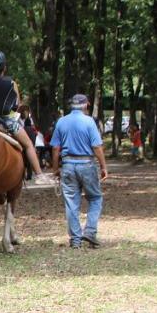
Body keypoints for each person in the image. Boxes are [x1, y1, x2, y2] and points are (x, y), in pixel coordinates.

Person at [0, 51, 55, 187]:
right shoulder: (12, 83)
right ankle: (39, 174)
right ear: (4, 67)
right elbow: (17, 104)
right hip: (6, 121)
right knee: (28, 145)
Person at [50, 93, 108, 249]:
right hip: (87, 164)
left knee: (71, 203)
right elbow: (96, 146)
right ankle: (89, 231)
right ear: (86, 105)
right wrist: (103, 166)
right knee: (95, 198)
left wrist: (55, 169)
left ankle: (75, 240)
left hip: (68, 164)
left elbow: (55, 148)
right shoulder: (89, 122)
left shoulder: (61, 122)